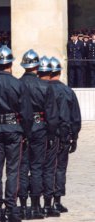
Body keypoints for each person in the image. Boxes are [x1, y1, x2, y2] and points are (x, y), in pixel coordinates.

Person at [0, 46, 33, 222]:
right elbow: (26, 112)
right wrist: (26, 132)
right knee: (13, 171)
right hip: (13, 130)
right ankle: (12, 208)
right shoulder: (18, 84)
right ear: (10, 64)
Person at [18, 52, 58, 219]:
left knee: (22, 167)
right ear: (36, 67)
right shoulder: (44, 86)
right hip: (40, 126)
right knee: (37, 168)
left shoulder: (17, 84)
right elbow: (52, 114)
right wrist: (52, 134)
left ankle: (22, 206)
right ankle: (35, 207)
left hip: (21, 127)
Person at [48, 57, 82, 214]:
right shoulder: (68, 91)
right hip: (63, 134)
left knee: (45, 168)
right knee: (60, 168)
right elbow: (75, 117)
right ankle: (57, 200)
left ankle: (44, 202)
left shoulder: (43, 88)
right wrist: (74, 137)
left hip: (46, 134)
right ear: (60, 72)